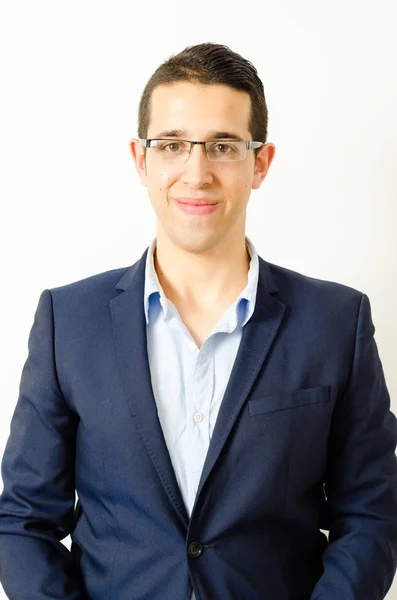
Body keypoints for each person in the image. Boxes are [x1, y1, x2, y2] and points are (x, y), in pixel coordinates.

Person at [0, 42, 396, 600]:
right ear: (142, 160)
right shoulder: (69, 320)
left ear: (260, 162)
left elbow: (371, 516)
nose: (197, 171)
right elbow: (23, 522)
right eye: (173, 145)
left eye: (223, 146)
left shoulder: (337, 323)